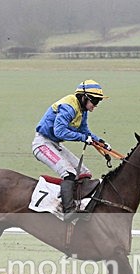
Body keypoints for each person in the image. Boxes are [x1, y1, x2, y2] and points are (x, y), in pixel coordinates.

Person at [33, 79, 110, 223]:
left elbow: (84, 131)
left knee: (84, 173)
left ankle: (79, 205)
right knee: (68, 174)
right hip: (42, 144)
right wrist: (83, 138)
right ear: (84, 97)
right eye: (95, 101)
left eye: (98, 102)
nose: (95, 105)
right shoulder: (68, 107)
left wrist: (100, 142)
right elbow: (60, 131)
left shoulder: (82, 110)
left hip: (54, 144)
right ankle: (68, 211)